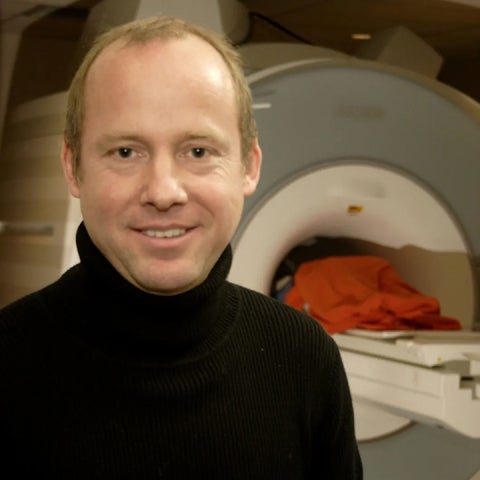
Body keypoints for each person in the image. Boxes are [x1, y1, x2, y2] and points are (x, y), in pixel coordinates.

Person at [0, 15, 362, 479]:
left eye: (197, 151)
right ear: (73, 168)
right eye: (126, 152)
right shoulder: (5, 367)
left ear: (249, 166)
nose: (164, 191)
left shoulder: (304, 359)